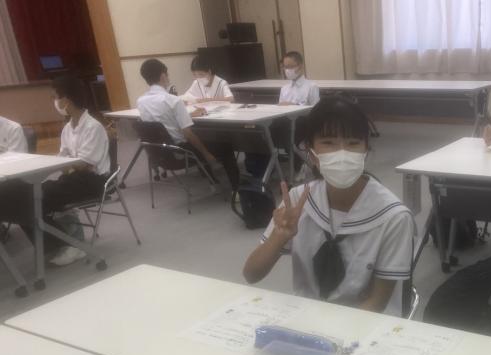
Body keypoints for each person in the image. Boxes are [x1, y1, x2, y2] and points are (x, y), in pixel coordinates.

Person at [243, 96, 415, 315]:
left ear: (366, 150)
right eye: (328, 143)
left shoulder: (393, 216)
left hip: (364, 322)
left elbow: (377, 302)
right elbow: (251, 275)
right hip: (307, 315)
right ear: (311, 153)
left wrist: (329, 332)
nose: (342, 153)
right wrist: (279, 236)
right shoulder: (297, 200)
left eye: (353, 143)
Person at [0, 75, 110, 265]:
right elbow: (64, 159)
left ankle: (71, 246)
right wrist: (61, 164)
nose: (55, 102)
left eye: (55, 97)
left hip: (93, 180)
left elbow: (85, 164)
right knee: (25, 197)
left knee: (33, 199)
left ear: (66, 99)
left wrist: (63, 164)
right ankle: (58, 245)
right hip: (74, 177)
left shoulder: (93, 127)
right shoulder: (68, 127)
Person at [136, 58, 240, 190]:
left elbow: (162, 121)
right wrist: (207, 154)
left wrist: (189, 115)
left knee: (199, 140)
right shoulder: (173, 100)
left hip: (159, 153)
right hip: (181, 152)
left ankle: (213, 182)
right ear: (163, 76)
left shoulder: (141, 101)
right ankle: (237, 189)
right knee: (224, 147)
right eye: (167, 74)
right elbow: (188, 134)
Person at [245, 51, 320, 179]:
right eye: (285, 67)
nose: (287, 70)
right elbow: (279, 110)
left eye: (291, 66)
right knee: (258, 133)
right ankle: (262, 169)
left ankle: (299, 165)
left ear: (300, 66)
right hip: (283, 123)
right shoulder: (284, 89)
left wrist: (294, 105)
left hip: (302, 123)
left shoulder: (311, 86)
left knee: (285, 135)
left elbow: (316, 112)